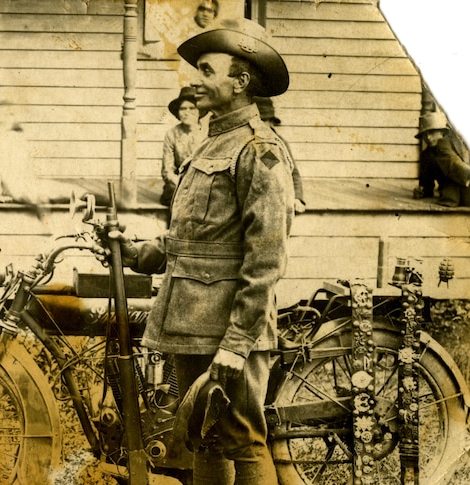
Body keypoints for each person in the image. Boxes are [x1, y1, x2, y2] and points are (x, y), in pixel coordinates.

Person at [104, 18, 294, 485]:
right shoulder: (211, 142)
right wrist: (137, 252)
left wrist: (237, 344)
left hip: (228, 329)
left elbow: (266, 258)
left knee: (243, 439)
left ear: (241, 81)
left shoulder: (259, 149)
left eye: (208, 70)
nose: (196, 80)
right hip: (192, 321)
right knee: (203, 436)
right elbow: (194, 239)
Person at [413, 110, 470, 207]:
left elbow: (453, 161)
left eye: (431, 132)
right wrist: (421, 191)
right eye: (424, 134)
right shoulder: (427, 155)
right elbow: (427, 184)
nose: (428, 137)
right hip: (451, 196)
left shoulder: (449, 143)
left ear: (442, 132)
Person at [256, 96, 306, 214]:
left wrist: (297, 198)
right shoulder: (249, 142)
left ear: (271, 122)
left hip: (279, 204)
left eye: (263, 121)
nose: (260, 126)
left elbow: (292, 172)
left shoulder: (279, 143)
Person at [161, 86, 205, 208]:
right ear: (178, 113)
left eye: (192, 108)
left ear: (199, 111)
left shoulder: (208, 133)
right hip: (177, 183)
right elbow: (167, 170)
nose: (187, 112)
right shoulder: (171, 134)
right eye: (183, 109)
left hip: (202, 183)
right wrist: (180, 184)